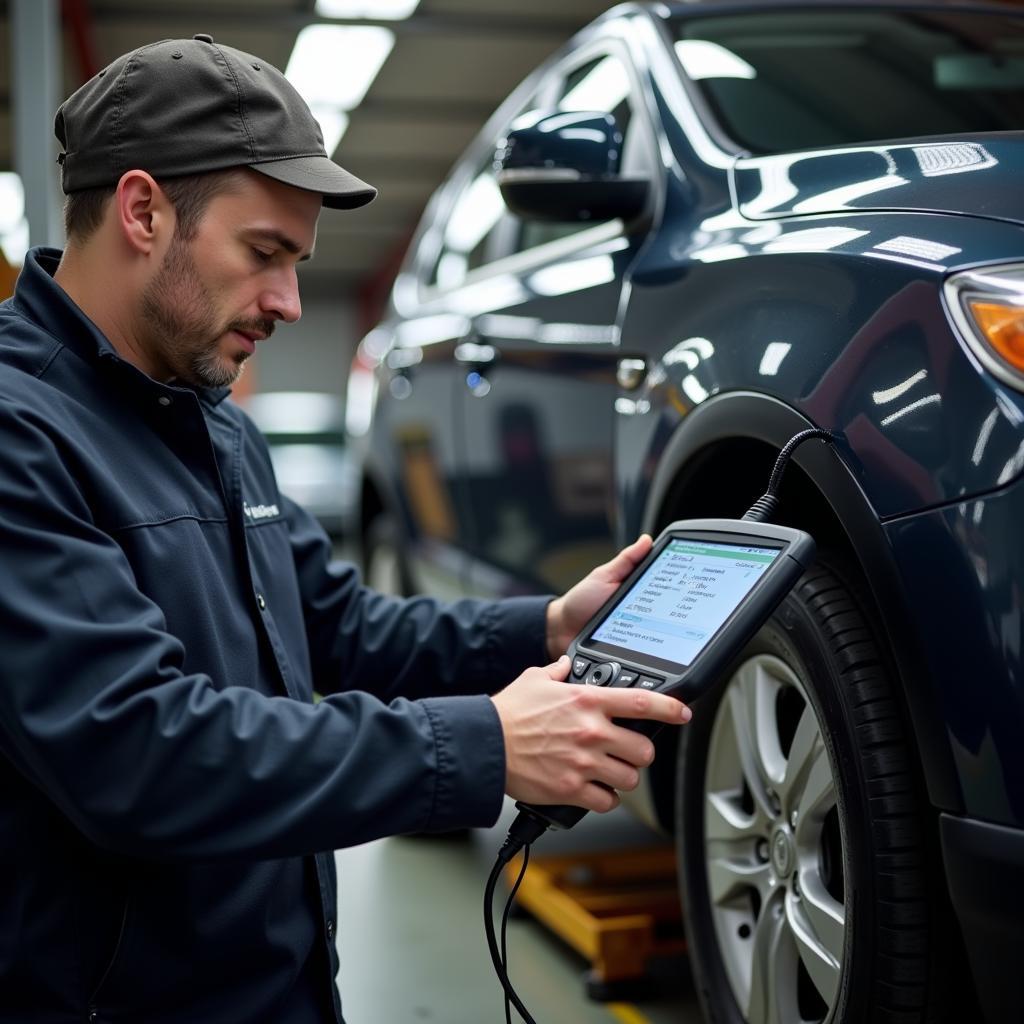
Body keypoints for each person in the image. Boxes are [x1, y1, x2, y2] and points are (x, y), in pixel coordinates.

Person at [0, 35, 691, 1023]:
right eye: (264, 254)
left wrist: (542, 627)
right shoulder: (20, 430)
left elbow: (332, 627)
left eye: (298, 263)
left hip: (284, 987)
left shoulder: (217, 426)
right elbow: (140, 750)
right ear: (143, 209)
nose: (287, 302)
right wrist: (484, 747)